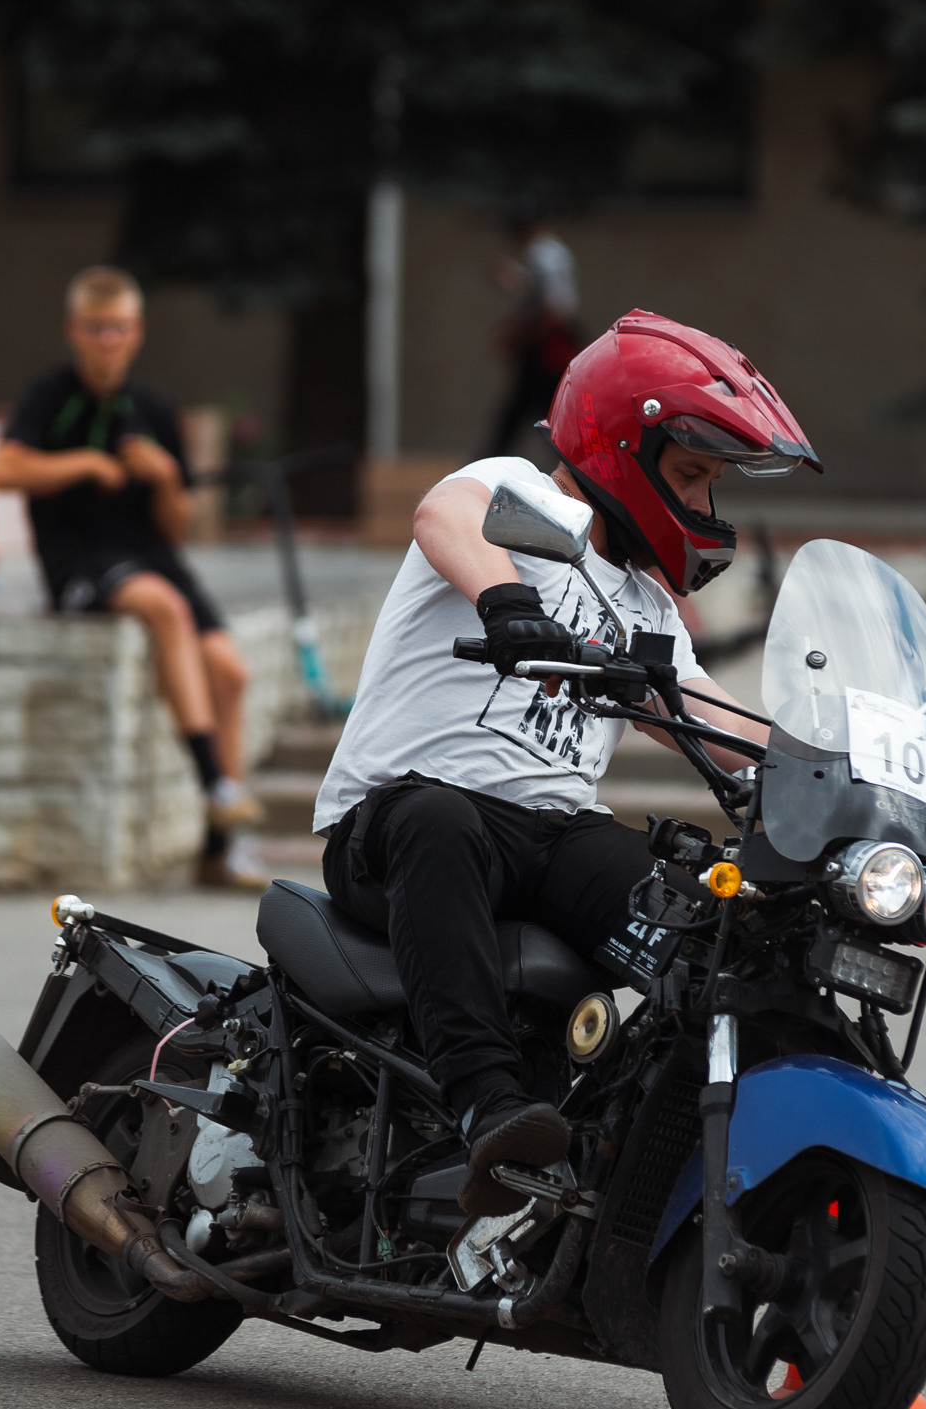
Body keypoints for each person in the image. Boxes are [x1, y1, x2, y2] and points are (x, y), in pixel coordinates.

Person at [314, 310, 815, 1217]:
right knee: (440, 820)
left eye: (711, 486)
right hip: (396, 822)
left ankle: (619, 1139)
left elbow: (701, 707)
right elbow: (443, 515)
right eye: (691, 476)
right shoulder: (521, 495)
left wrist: (821, 762)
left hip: (547, 837)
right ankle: (488, 1106)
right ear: (624, 449)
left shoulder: (647, 605)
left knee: (701, 915)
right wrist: (506, 600)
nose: (705, 507)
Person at [0, 266, 264, 889]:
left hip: (152, 555)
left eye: (118, 328)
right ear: (74, 330)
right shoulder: (50, 395)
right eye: (96, 328)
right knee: (163, 608)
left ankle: (220, 851)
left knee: (230, 671)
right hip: (80, 561)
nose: (108, 341)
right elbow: (4, 470)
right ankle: (216, 782)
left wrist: (164, 476)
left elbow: (178, 526)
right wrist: (85, 463)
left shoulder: (153, 408)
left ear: (137, 332)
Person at [478, 212, 582, 459]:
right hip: (548, 342)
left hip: (548, 346)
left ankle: (574, 463)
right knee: (542, 411)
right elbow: (542, 293)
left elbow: (553, 307)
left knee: (536, 411)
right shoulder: (550, 251)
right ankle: (572, 462)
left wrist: (520, 335)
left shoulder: (541, 253)